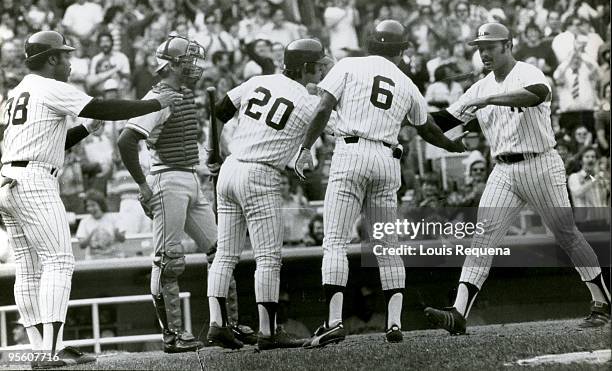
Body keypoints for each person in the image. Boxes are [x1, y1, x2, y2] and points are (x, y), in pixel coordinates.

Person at [0, 30, 180, 368]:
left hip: (9, 178)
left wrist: (85, 130)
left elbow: (39, 144)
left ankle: (43, 349)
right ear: (51, 59)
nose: (69, 62)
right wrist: (155, 103)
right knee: (59, 262)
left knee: (28, 268)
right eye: (64, 55)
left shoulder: (17, 91)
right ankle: (50, 352)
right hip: (34, 181)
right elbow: (102, 106)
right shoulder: (49, 85)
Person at [424, 23, 611, 334]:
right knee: (482, 238)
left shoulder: (526, 72)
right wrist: (413, 116)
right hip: (503, 170)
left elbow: (538, 94)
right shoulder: (480, 87)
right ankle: (458, 313)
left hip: (540, 162)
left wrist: (490, 100)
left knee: (567, 235)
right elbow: (445, 121)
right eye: (480, 47)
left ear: (508, 45)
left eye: (491, 46)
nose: (483, 52)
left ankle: (602, 301)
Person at [293, 20, 465, 348]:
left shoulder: (349, 64)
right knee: (388, 245)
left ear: (371, 43)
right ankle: (395, 323)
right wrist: (452, 146)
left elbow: (323, 108)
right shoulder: (406, 81)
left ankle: (333, 322)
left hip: (352, 153)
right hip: (388, 159)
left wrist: (305, 149)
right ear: (399, 51)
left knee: (334, 242)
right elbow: (427, 129)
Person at [205, 38, 332, 351]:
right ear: (305, 67)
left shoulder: (258, 81)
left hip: (231, 167)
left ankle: (217, 324)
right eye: (317, 65)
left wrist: (213, 150)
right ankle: (268, 331)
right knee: (268, 258)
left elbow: (219, 110)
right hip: (260, 173)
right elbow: (311, 159)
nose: (321, 69)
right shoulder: (307, 102)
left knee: (225, 253)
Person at [117, 35, 215, 353]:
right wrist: (143, 186)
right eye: (189, 60)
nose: (195, 66)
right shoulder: (156, 96)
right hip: (166, 179)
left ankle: (224, 327)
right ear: (172, 63)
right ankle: (172, 334)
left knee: (220, 253)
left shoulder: (183, 93)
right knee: (168, 261)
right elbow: (125, 140)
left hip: (190, 178)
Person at [76, 189, 125, 260]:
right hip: (94, 259)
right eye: (88, 206)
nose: (90, 208)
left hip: (114, 258)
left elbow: (122, 240)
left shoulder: (114, 218)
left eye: (93, 205)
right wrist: (91, 235)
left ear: (101, 204)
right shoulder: (84, 222)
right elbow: (81, 245)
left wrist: (117, 234)